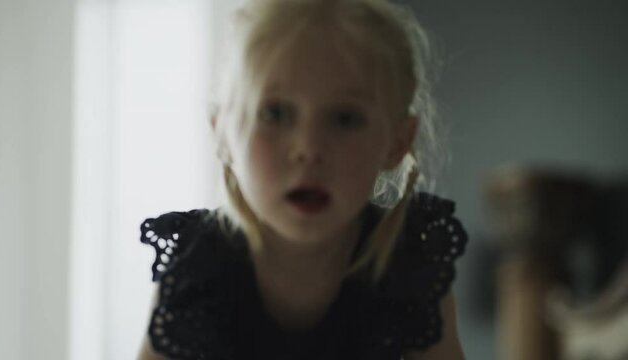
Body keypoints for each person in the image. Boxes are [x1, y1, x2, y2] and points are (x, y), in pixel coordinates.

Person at [138, 0, 468, 359]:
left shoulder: (411, 269)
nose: (308, 148)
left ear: (397, 143)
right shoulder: (195, 268)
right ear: (223, 135)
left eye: (345, 119)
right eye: (275, 113)